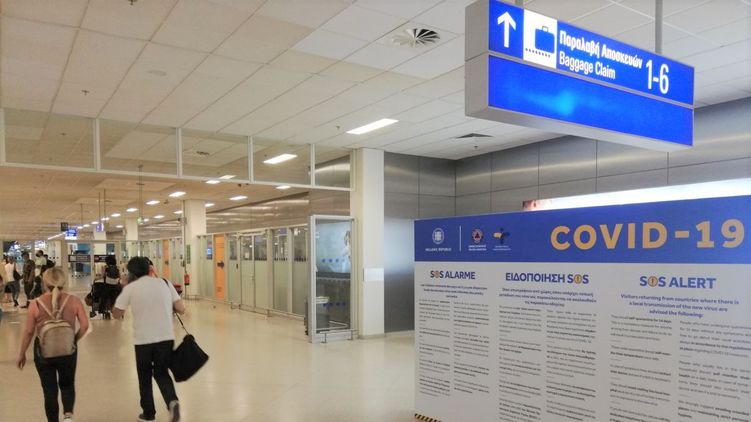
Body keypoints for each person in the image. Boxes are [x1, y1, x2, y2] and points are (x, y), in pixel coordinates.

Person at [113, 257, 185, 422]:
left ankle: (149, 414)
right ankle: (172, 401)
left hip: (143, 340)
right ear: (149, 269)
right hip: (166, 338)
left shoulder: (131, 288)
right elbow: (181, 309)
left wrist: (123, 288)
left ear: (131, 273)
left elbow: (116, 314)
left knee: (144, 377)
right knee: (162, 373)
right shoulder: (165, 283)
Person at [17, 267, 90, 422]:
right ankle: (68, 415)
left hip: (43, 352)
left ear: (44, 283)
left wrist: (22, 353)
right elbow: (84, 326)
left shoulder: (35, 304)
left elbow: (29, 332)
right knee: (67, 384)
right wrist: (74, 340)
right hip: (68, 350)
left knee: (49, 390)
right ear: (64, 282)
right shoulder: (74, 301)